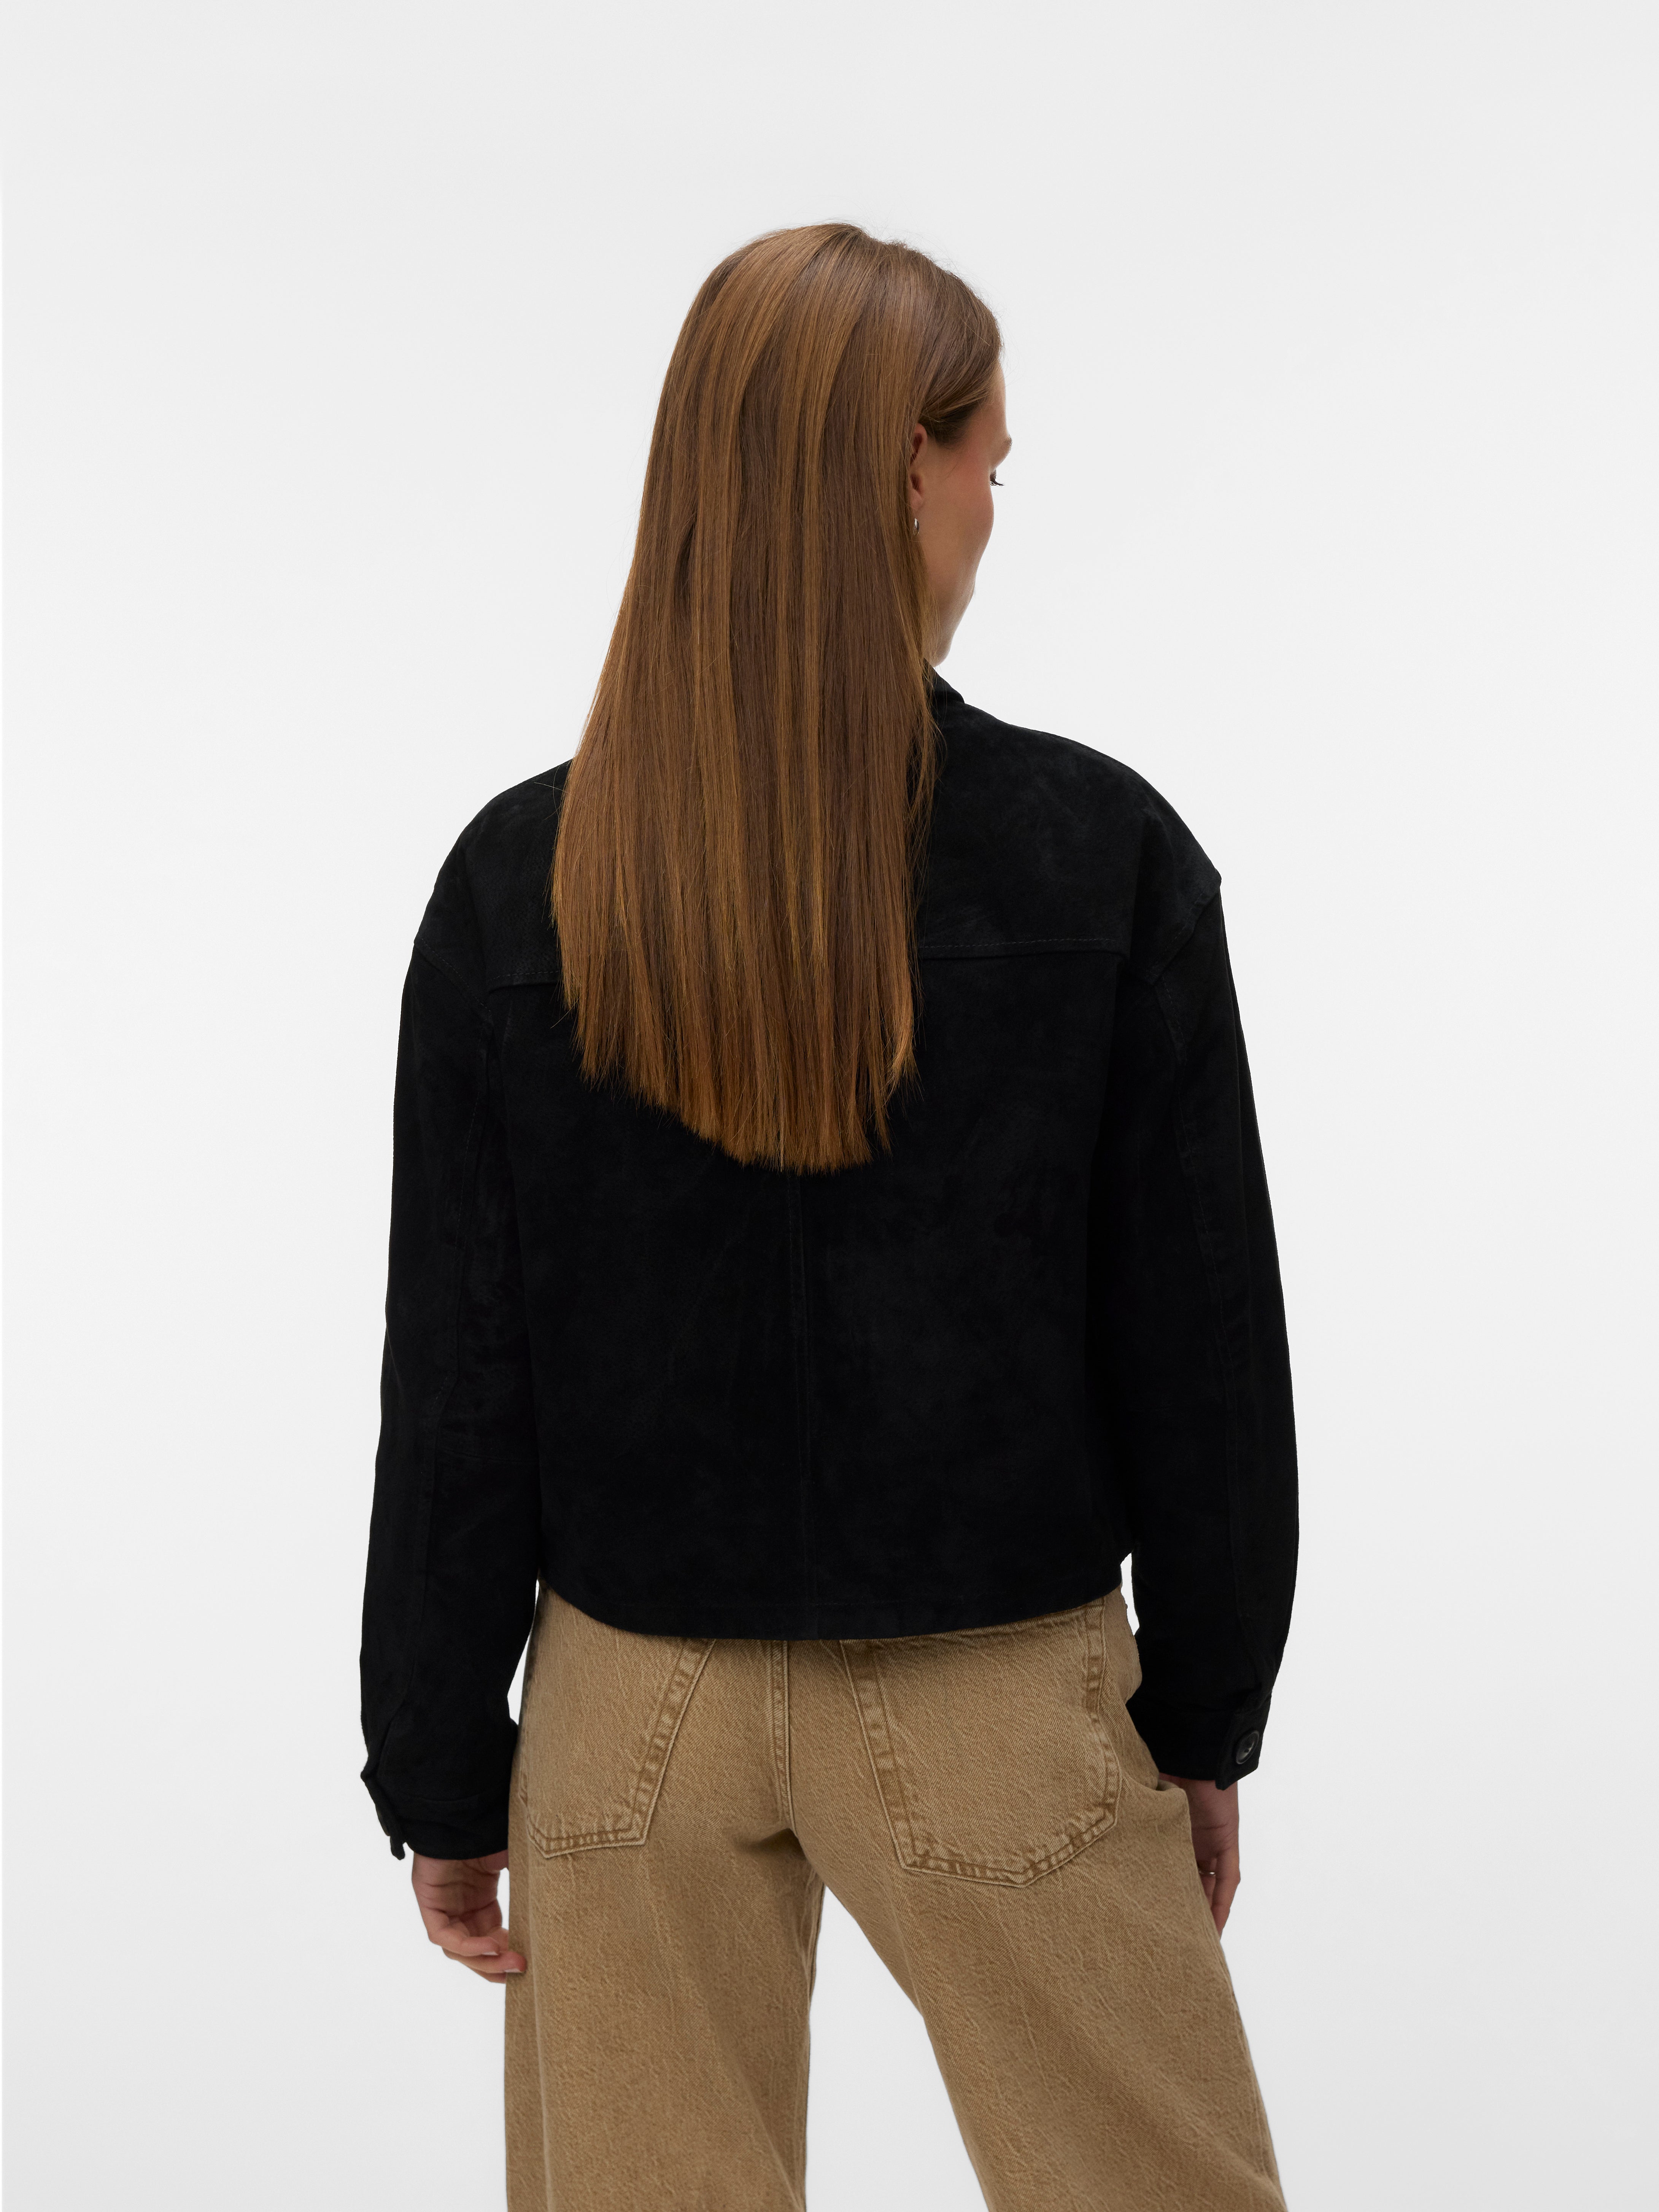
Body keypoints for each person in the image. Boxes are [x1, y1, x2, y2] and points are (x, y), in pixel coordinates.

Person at [359, 221, 1297, 2212]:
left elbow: (457, 1378)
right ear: (902, 470)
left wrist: (441, 1757)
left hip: (625, 1711)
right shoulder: (1104, 859)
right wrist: (1206, 1711)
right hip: (1002, 1695)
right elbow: (1202, 1345)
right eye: (989, 465)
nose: (991, 515)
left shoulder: (518, 881)